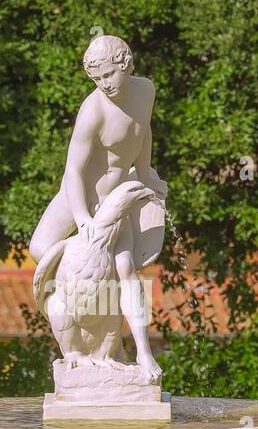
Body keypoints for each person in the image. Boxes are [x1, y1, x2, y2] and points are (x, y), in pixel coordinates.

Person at [29, 35, 168, 381]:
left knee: (124, 271)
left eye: (108, 75)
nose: (103, 84)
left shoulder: (146, 90)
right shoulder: (92, 110)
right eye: (96, 79)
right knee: (39, 250)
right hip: (79, 194)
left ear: (126, 64)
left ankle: (141, 355)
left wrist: (147, 172)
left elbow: (143, 131)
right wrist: (82, 219)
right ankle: (79, 335)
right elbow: (73, 171)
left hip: (114, 197)